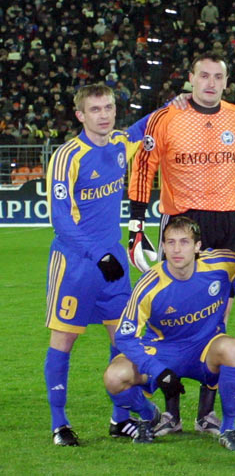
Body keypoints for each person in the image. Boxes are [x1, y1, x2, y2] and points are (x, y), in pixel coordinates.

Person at [127, 52, 235, 436]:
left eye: (217, 77)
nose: (210, 83)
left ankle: (206, 413)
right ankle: (171, 412)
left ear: (226, 81)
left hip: (227, 221)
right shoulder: (167, 116)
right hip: (183, 218)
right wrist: (136, 223)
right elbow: (144, 166)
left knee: (219, 314)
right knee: (169, 310)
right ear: (190, 78)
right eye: (203, 75)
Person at [44, 83, 148, 445]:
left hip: (113, 261)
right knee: (64, 340)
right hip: (76, 263)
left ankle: (120, 419)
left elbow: (146, 125)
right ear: (80, 115)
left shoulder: (120, 143)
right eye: (95, 109)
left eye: (108, 108)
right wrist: (96, 255)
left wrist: (180, 100)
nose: (103, 115)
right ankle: (60, 424)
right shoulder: (67, 156)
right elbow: (61, 220)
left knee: (124, 339)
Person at [103, 217, 235, 450]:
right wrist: (158, 371)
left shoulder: (220, 264)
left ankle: (228, 428)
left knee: (232, 348)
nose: (177, 249)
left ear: (197, 246)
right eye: (170, 242)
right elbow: (124, 337)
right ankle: (149, 415)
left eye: (184, 242)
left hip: (204, 349)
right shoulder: (149, 284)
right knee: (114, 377)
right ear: (163, 246)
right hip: (163, 351)